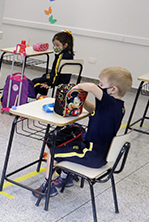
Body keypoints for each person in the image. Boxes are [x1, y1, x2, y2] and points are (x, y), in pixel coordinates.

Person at [33, 67, 132, 200]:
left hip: (92, 154)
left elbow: (90, 86)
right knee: (71, 141)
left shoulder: (109, 102)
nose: (99, 86)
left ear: (113, 89)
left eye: (102, 85)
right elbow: (93, 110)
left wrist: (76, 88)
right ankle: (65, 178)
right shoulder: (117, 107)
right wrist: (81, 99)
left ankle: (47, 187)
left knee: (53, 151)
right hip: (101, 153)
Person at [31, 31, 75, 97]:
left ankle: (35, 97)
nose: (55, 47)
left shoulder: (61, 56)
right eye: (54, 45)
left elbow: (55, 71)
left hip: (57, 79)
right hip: (64, 79)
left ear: (65, 45)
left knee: (35, 81)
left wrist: (49, 83)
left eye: (57, 45)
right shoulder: (70, 54)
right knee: (45, 75)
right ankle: (43, 94)